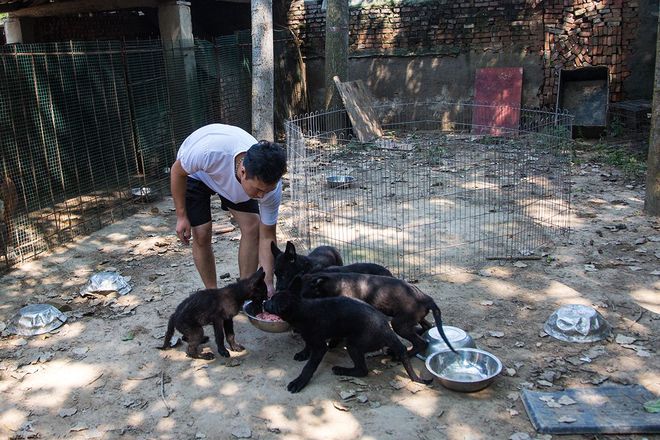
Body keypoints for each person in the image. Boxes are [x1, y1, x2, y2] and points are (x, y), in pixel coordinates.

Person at [170, 123, 287, 296]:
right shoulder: (208, 152)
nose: (261, 196)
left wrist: (268, 282)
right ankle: (212, 295)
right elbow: (177, 171)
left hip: (231, 182)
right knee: (202, 233)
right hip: (197, 175)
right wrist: (181, 216)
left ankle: (246, 290)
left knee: (252, 227)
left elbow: (268, 236)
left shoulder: (269, 188)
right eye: (258, 190)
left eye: (266, 191)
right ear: (243, 171)